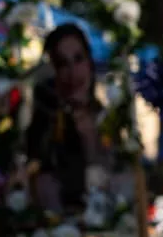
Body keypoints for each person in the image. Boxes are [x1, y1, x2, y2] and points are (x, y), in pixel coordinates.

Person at [25, 23, 112, 215]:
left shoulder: (110, 119)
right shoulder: (47, 125)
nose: (73, 73)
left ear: (90, 61)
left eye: (78, 59)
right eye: (63, 64)